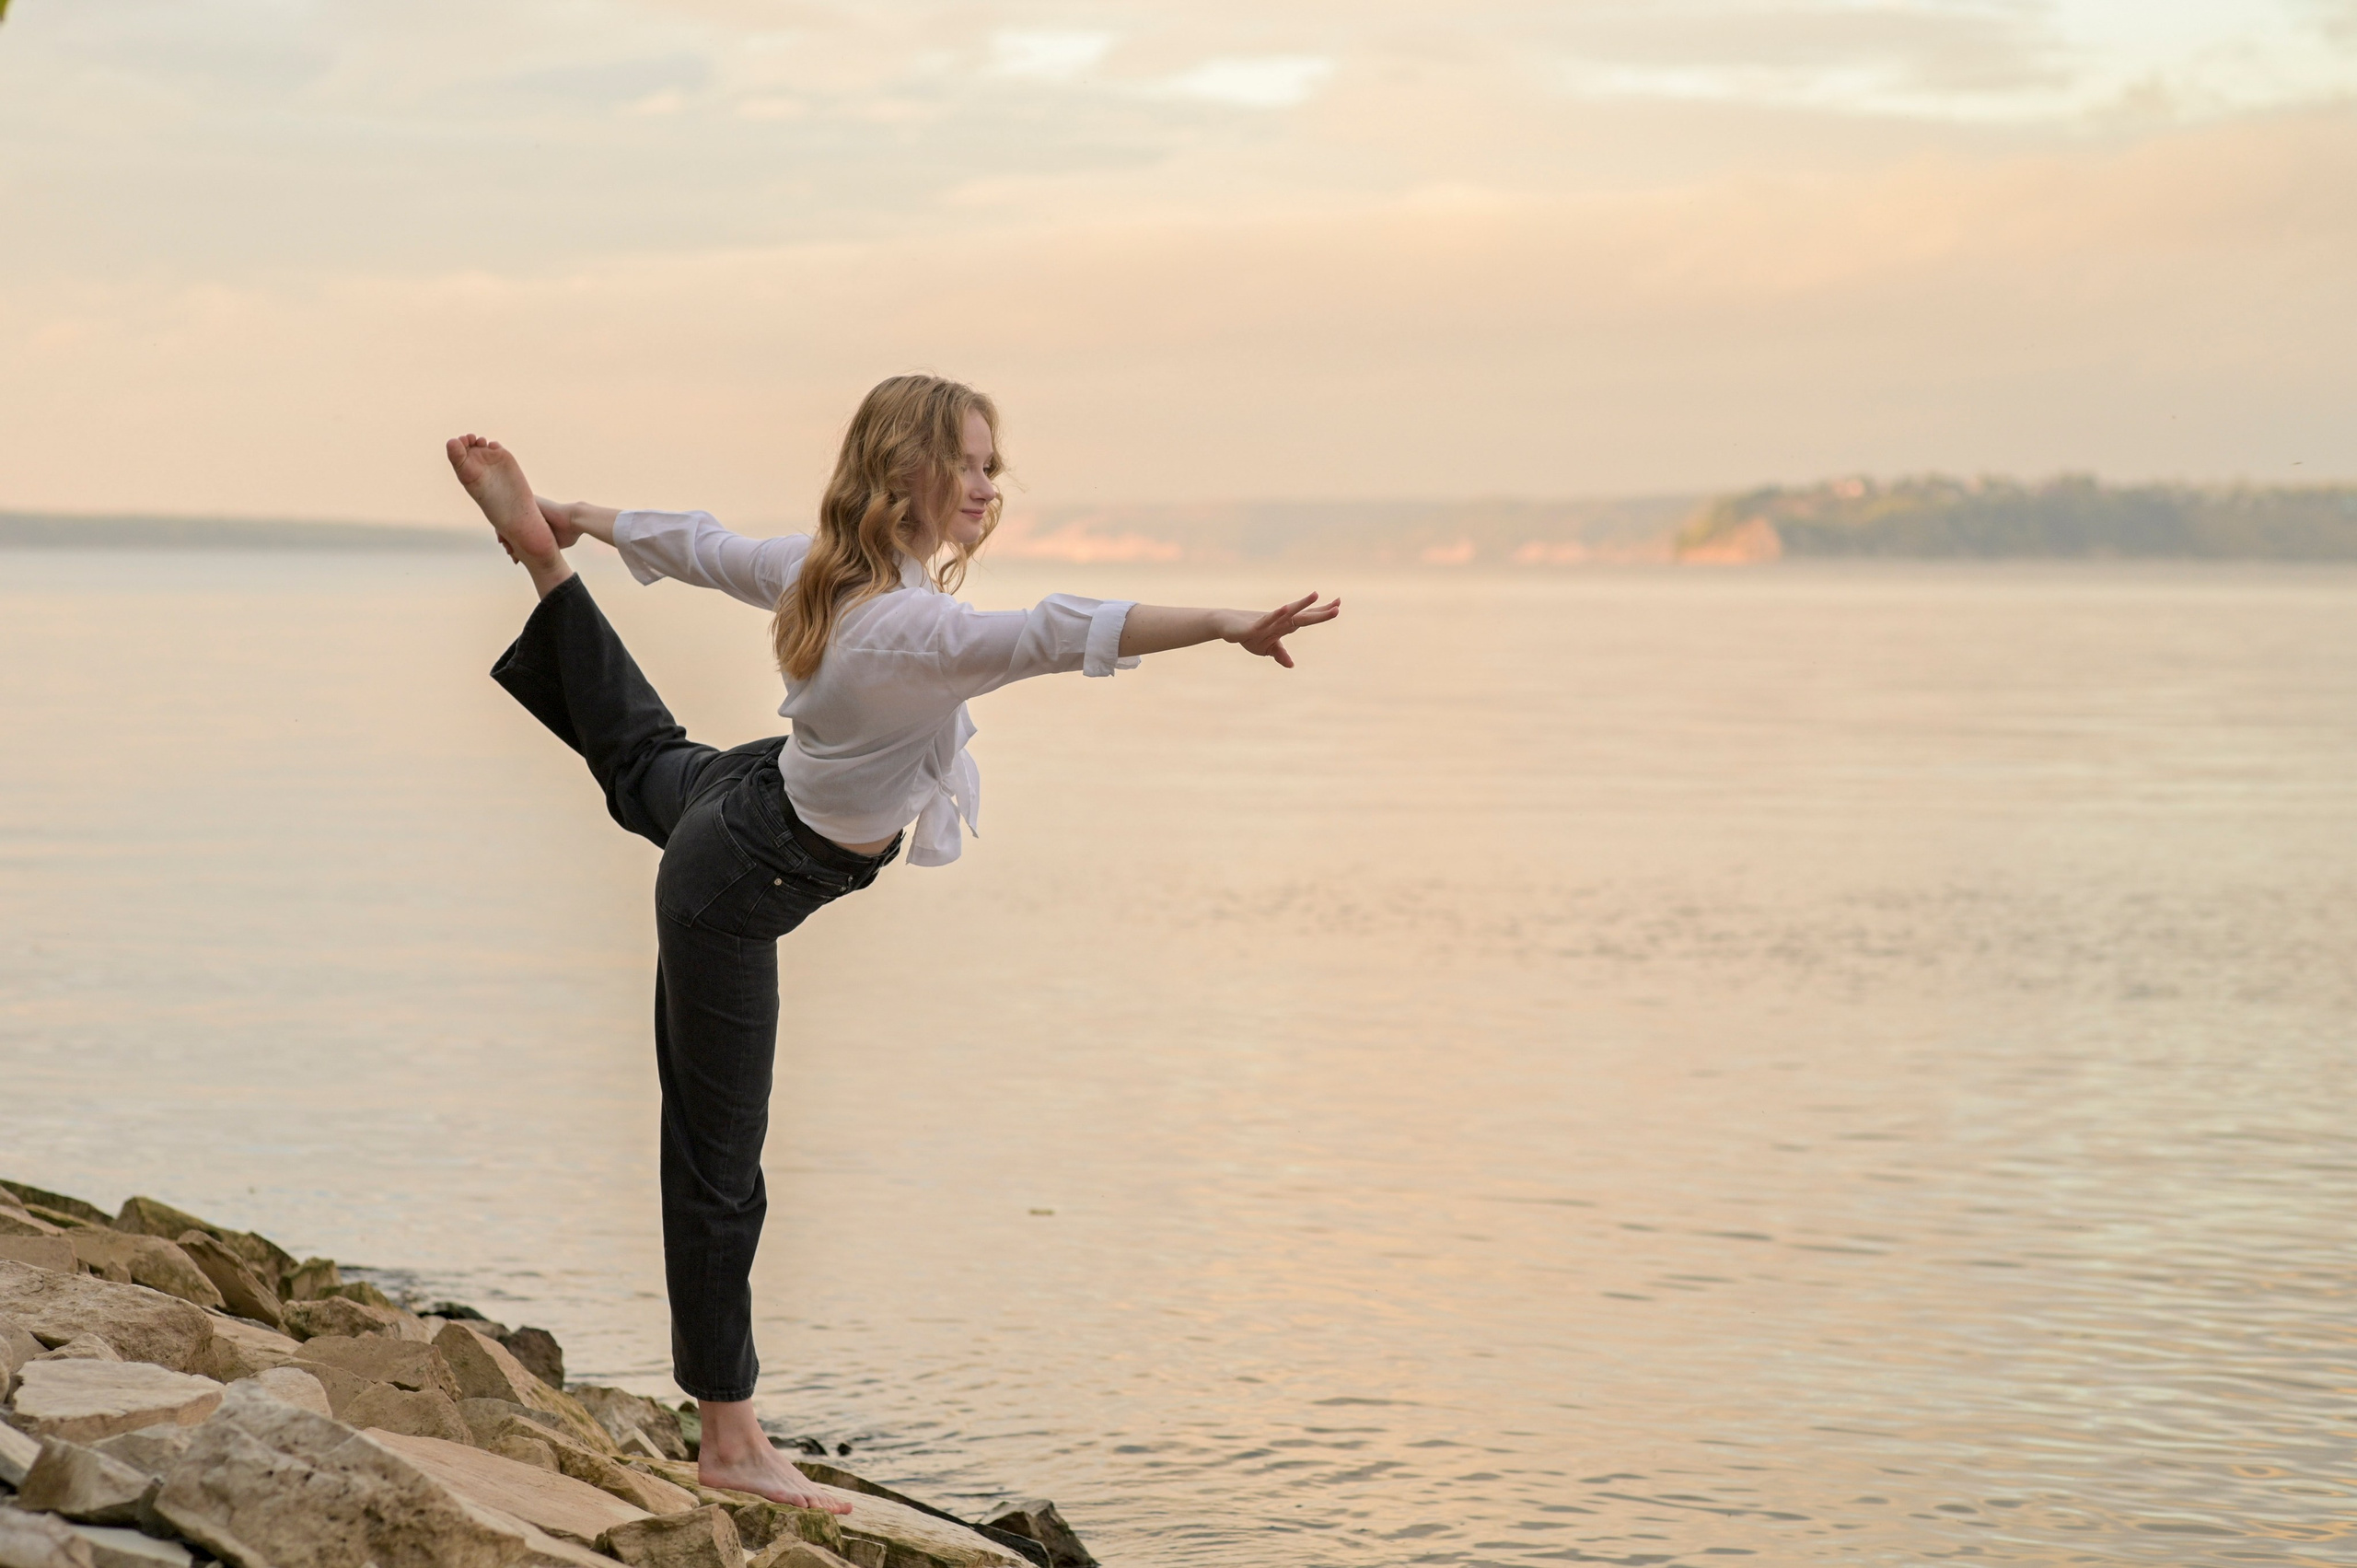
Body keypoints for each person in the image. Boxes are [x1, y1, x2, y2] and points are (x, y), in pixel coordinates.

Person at [446, 373, 1340, 1507]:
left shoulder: (834, 573)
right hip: (739, 878)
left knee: (641, 763)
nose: (985, 484)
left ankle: (540, 559)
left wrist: (578, 516)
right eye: (966, 462)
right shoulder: (915, 626)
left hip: (749, 803)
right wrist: (1220, 623)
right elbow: (1063, 631)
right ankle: (729, 1442)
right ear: (905, 470)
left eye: (990, 466)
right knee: (719, 1163)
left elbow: (704, 545)